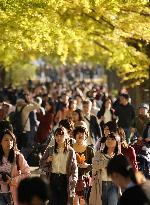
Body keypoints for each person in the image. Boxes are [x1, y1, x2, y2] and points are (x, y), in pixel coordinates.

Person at [40, 127, 78, 205]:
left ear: (66, 136)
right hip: (52, 178)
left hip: (64, 180)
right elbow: (41, 163)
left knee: (63, 201)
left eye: (61, 135)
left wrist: (74, 180)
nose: (58, 137)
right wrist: (47, 160)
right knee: (52, 202)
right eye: (56, 135)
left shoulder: (70, 151)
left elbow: (74, 168)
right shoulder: (50, 149)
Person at [0, 122, 30, 205]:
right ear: (0, 142)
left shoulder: (18, 157)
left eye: (11, 140)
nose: (9, 142)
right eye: (6, 140)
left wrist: (12, 180)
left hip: (13, 194)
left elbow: (27, 174)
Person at [89, 133, 119, 205]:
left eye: (112, 139)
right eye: (108, 138)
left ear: (117, 142)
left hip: (114, 185)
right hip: (101, 183)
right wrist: (108, 162)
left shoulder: (119, 156)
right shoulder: (99, 153)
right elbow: (95, 165)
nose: (109, 140)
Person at [73, 126, 94, 205]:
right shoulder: (70, 148)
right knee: (74, 200)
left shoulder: (89, 150)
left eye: (82, 133)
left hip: (84, 179)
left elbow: (94, 165)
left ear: (86, 136)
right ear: (75, 135)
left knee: (83, 201)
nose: (80, 135)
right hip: (72, 178)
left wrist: (87, 166)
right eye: (78, 133)